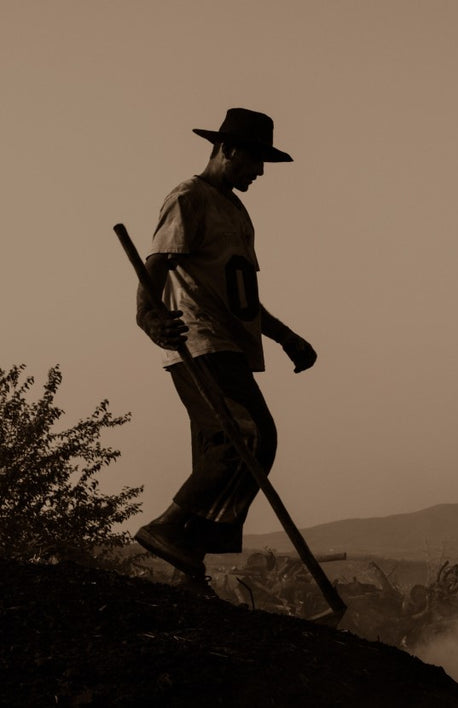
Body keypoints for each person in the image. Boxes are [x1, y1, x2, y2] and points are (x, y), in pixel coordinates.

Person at [135, 108, 317, 597]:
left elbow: (242, 294)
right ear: (227, 150)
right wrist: (151, 319)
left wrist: (286, 337)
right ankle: (170, 528)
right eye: (255, 161)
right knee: (250, 435)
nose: (258, 172)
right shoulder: (188, 197)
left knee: (226, 448)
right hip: (198, 340)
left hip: (232, 344)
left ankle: (187, 568)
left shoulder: (235, 210)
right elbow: (155, 265)